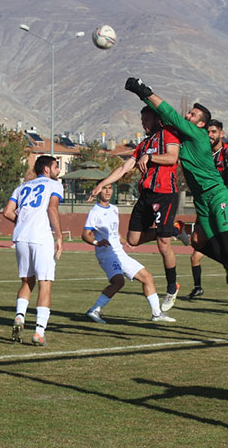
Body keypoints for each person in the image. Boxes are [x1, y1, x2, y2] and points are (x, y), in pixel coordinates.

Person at [124, 77, 228, 324]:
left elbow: (168, 114)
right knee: (209, 247)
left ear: (202, 124)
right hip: (203, 203)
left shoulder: (196, 135)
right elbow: (163, 120)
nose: (188, 115)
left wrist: (142, 91)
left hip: (218, 197)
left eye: (193, 114)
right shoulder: (182, 141)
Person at [90, 106, 188, 312]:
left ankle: (172, 287)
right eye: (142, 119)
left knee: (163, 244)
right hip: (145, 196)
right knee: (133, 240)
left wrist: (150, 158)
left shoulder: (167, 135)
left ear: (157, 120)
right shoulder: (143, 144)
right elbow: (125, 167)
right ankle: (176, 229)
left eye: (147, 120)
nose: (144, 124)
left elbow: (172, 157)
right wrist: (102, 183)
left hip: (164, 194)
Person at [82, 184, 176, 323]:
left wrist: (123, 240)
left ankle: (157, 314)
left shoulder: (114, 209)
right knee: (118, 281)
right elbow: (85, 234)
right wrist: (97, 242)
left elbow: (114, 230)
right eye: (104, 188)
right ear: (98, 191)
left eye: (110, 188)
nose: (108, 191)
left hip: (119, 252)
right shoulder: (94, 212)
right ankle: (94, 310)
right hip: (107, 254)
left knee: (147, 277)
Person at [2, 155, 64, 347]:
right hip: (40, 237)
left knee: (27, 281)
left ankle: (20, 316)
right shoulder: (55, 185)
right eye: (56, 167)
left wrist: (23, 221)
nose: (58, 171)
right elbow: (52, 209)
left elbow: (7, 212)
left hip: (21, 237)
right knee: (45, 283)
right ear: (47, 169)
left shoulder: (21, 187)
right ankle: (39, 332)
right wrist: (59, 236)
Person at [185, 119, 228, 301]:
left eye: (213, 132)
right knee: (196, 241)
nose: (210, 135)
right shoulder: (202, 153)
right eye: (207, 132)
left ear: (221, 133)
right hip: (208, 205)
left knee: (227, 246)